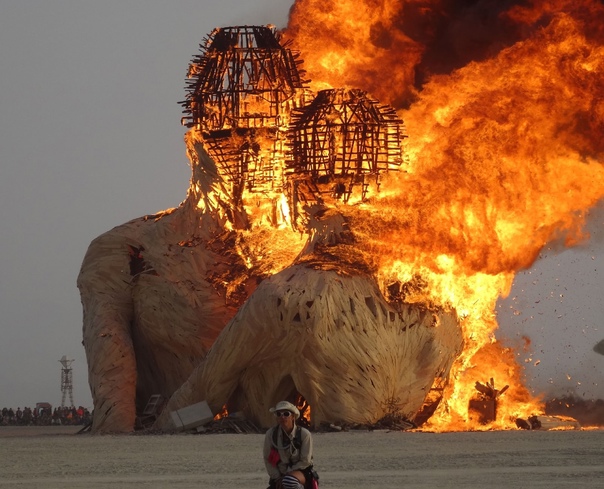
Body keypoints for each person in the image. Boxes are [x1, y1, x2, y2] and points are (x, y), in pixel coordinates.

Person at [263, 401, 316, 489]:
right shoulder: (271, 434)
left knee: (289, 481)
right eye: (279, 414)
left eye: (286, 414)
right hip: (280, 475)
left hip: (300, 472)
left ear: (293, 417)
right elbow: (267, 458)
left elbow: (305, 461)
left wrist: (287, 473)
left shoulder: (304, 434)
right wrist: (277, 477)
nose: (282, 417)